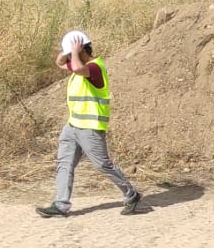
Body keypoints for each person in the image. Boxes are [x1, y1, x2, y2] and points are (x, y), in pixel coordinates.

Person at [36, 30, 148, 218]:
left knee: (103, 165)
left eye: (72, 51)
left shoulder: (95, 68)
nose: (69, 56)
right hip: (72, 126)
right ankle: (60, 205)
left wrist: (74, 52)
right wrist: (69, 51)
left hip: (90, 128)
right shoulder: (77, 63)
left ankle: (132, 194)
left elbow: (79, 69)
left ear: (81, 49)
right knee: (64, 163)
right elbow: (60, 63)